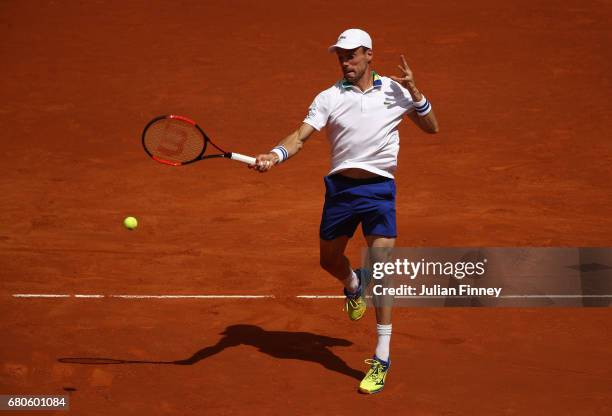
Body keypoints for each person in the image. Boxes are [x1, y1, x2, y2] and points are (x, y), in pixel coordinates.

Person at [250, 28, 439, 394]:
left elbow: (432, 127)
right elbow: (300, 135)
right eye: (340, 56)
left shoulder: (396, 91)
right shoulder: (328, 97)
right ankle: (354, 284)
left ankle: (381, 359)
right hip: (340, 191)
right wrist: (275, 154)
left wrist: (416, 94)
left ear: (369, 54)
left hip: (379, 189)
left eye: (351, 55)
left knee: (383, 269)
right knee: (328, 260)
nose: (345, 61)